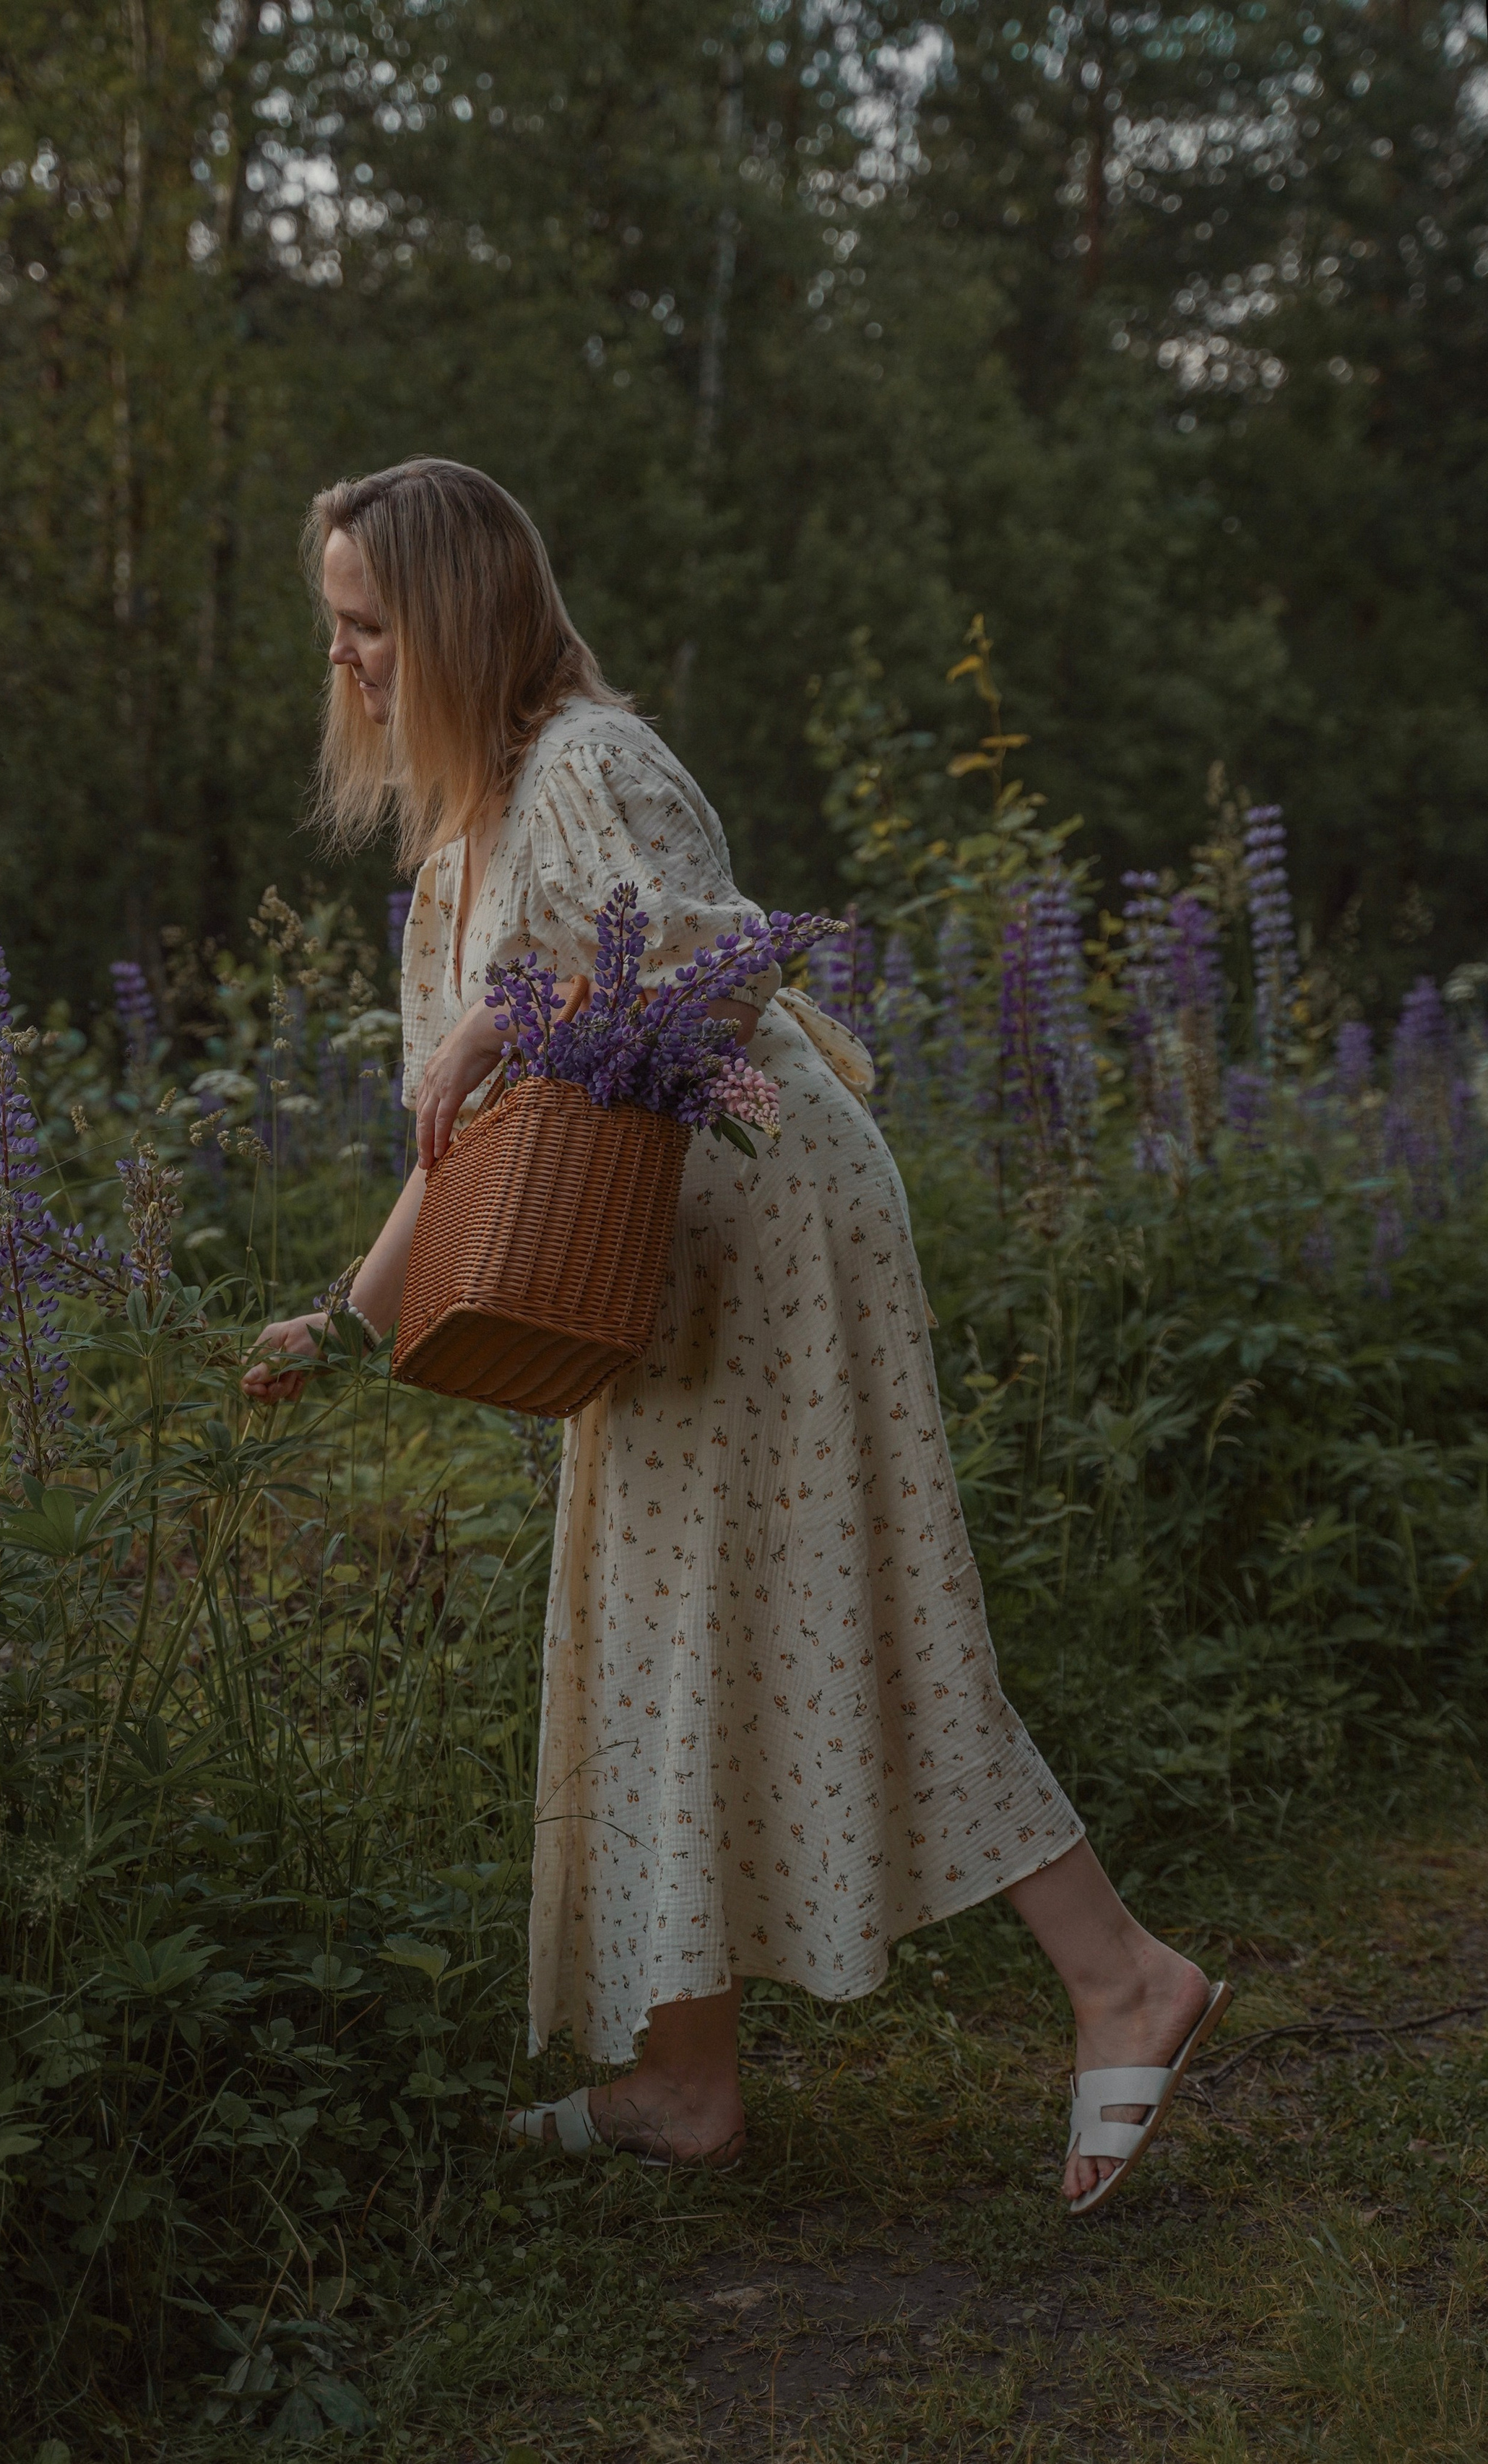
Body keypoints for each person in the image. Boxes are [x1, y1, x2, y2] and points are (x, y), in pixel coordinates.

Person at [245, 457, 1229, 2214]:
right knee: (645, 1638)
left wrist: (516, 1013)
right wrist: (338, 1321)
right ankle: (684, 2079)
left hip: (766, 1234)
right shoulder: (459, 847)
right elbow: (456, 1140)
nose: (352, 668)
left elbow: (724, 968)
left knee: (850, 1604)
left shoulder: (592, 768)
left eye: (372, 627)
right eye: (337, 631)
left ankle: (1123, 1975)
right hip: (641, 1266)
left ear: (460, 618)